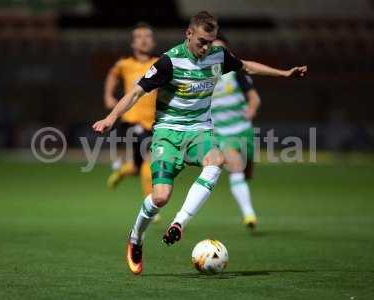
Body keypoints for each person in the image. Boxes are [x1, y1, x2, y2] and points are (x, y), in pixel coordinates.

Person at [93, 11, 307, 275]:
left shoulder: (218, 55)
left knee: (217, 160)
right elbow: (136, 91)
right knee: (160, 197)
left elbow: (248, 66)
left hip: (199, 132)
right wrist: (111, 117)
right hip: (168, 134)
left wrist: (285, 74)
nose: (207, 47)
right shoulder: (169, 62)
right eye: (202, 41)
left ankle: (179, 223)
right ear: (189, 34)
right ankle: (136, 237)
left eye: (211, 41)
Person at [211, 34, 261, 230]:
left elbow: (254, 97)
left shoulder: (237, 73)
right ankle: (249, 214)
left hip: (244, 130)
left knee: (246, 173)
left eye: (221, 50)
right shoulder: (203, 76)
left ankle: (242, 189)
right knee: (236, 167)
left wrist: (252, 108)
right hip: (222, 133)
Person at [104, 22, 158, 205]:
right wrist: (108, 96)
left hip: (153, 122)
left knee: (135, 168)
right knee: (149, 158)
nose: (143, 40)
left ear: (154, 42)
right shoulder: (125, 64)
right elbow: (113, 74)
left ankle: (121, 172)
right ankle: (150, 205)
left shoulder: (159, 64)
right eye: (139, 37)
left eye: (147, 36)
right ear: (133, 43)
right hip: (131, 121)